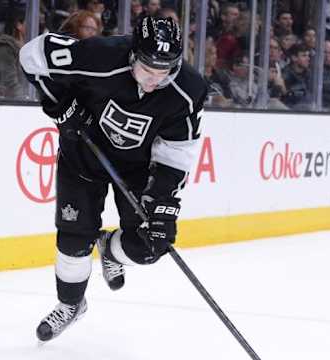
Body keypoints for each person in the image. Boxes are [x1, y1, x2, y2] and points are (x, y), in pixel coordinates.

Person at [19, 15, 207, 342]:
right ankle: (72, 304)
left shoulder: (188, 91)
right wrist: (61, 106)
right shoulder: (99, 55)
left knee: (152, 245)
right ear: (133, 55)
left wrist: (163, 204)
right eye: (148, 71)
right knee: (73, 242)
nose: (153, 81)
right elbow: (32, 55)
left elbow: (177, 152)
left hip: (137, 170)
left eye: (164, 73)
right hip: (81, 157)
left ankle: (109, 248)